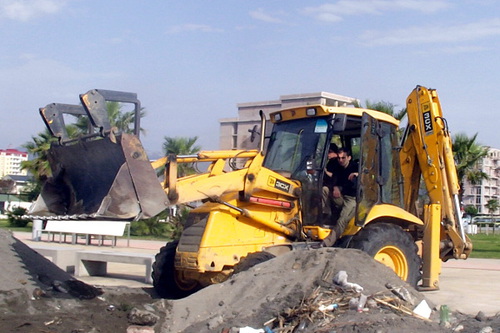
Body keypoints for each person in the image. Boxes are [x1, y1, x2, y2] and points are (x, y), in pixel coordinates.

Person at [322, 147, 358, 247]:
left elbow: (367, 175)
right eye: (339, 158)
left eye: (343, 158)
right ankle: (325, 216)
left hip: (352, 199)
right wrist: (335, 187)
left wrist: (357, 174)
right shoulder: (338, 168)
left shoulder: (355, 167)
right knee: (324, 190)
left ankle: (327, 243)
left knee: (342, 220)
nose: (341, 160)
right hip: (342, 197)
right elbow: (333, 181)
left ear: (349, 157)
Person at [321, 143, 339, 219]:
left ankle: (326, 212)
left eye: (330, 152)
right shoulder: (330, 162)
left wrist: (325, 171)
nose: (328, 154)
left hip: (336, 187)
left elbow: (335, 175)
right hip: (329, 184)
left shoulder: (338, 162)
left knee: (324, 189)